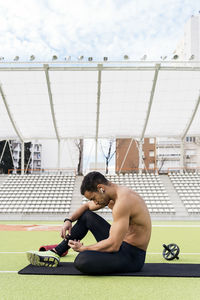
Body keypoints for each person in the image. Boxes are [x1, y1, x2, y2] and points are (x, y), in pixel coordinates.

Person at [27, 171, 152, 274]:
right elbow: (87, 206)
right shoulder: (111, 195)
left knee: (82, 260)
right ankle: (55, 253)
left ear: (101, 188)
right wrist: (69, 220)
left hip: (132, 256)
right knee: (87, 216)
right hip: (121, 245)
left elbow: (114, 245)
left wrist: (84, 248)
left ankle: (72, 252)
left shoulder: (123, 202)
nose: (95, 202)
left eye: (93, 198)